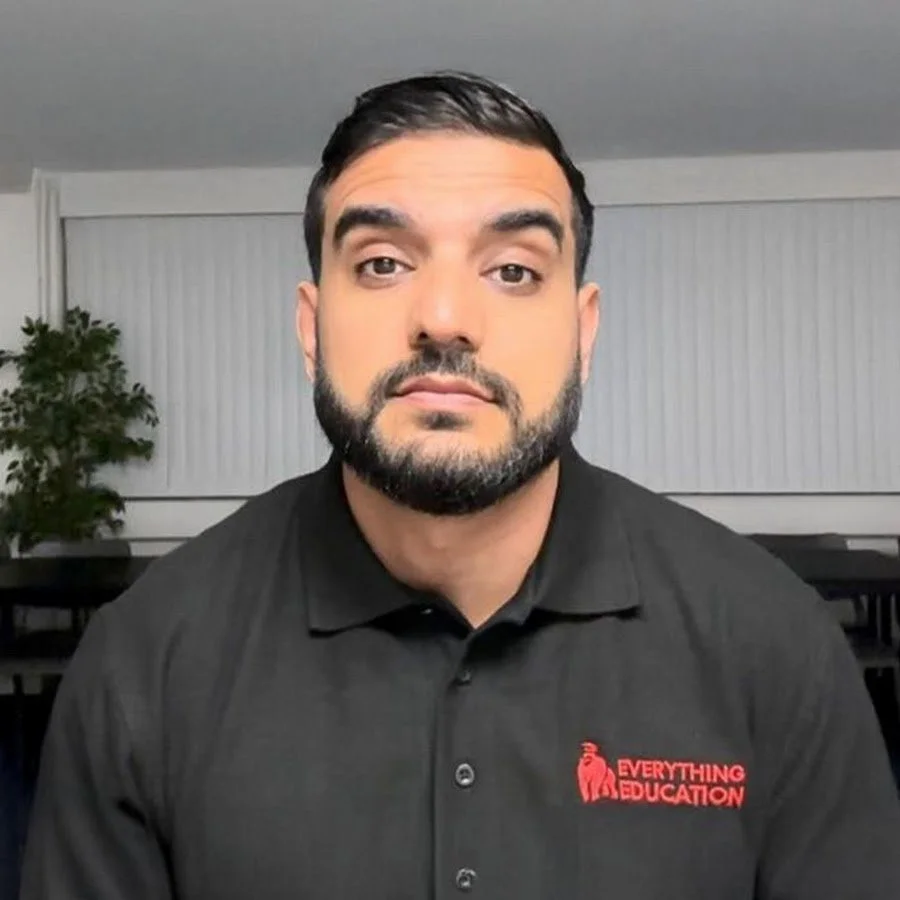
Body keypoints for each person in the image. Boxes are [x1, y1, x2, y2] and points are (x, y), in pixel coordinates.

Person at [20, 71, 900, 900]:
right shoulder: (144, 665)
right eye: (382, 264)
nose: (443, 318)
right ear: (312, 325)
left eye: (513, 270)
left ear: (583, 332)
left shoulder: (776, 648)